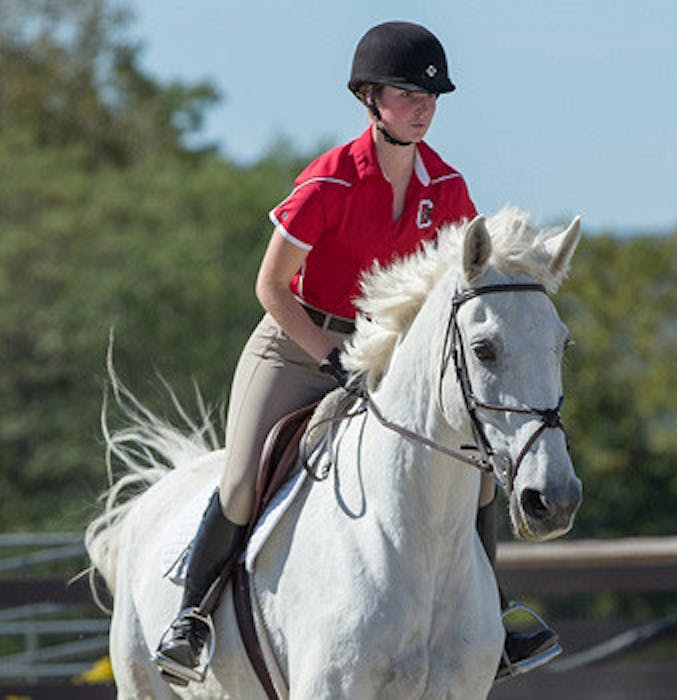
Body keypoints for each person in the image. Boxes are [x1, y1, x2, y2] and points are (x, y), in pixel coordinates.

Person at [152, 20, 560, 686]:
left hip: (388, 355)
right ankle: (192, 617)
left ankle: (495, 614)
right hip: (294, 341)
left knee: (477, 471)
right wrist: (327, 354)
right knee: (243, 477)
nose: (423, 107)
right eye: (407, 94)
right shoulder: (331, 180)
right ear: (369, 97)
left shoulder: (448, 189)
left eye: (431, 97)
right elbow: (269, 287)